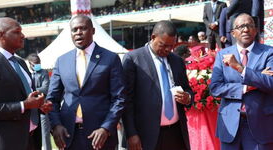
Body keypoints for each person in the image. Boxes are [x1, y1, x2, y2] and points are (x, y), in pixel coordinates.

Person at [47, 15, 126, 150]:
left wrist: (106, 127)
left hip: (100, 136)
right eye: (74, 29)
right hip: (69, 135)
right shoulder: (62, 61)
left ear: (93, 31)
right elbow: (52, 99)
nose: (78, 32)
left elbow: (119, 98)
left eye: (83, 28)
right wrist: (56, 125)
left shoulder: (110, 58)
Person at [0, 17, 52, 150]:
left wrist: (39, 105)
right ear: (1, 34)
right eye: (17, 32)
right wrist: (24, 105)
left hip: (31, 138)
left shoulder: (20, 62)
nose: (23, 35)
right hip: (5, 142)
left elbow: (26, 95)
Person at [122, 20, 193, 150]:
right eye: (163, 45)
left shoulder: (177, 61)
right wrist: (131, 133)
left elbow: (187, 88)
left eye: (171, 46)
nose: (167, 49)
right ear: (153, 37)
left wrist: (187, 97)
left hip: (176, 133)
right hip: (146, 136)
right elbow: (126, 101)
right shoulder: (133, 59)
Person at [210, 14, 273, 150]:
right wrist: (247, 86)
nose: (245, 30)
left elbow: (271, 82)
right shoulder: (222, 55)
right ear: (233, 33)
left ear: (255, 30)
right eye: (241, 26)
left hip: (260, 126)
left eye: (249, 26)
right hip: (229, 125)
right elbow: (215, 88)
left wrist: (240, 68)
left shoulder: (269, 53)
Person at [27, 53, 52, 150]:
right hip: (29, 108)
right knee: (31, 134)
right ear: (30, 64)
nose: (38, 65)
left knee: (45, 133)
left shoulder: (43, 72)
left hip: (42, 107)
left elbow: (45, 88)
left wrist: (30, 91)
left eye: (39, 63)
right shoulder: (26, 73)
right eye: (35, 63)